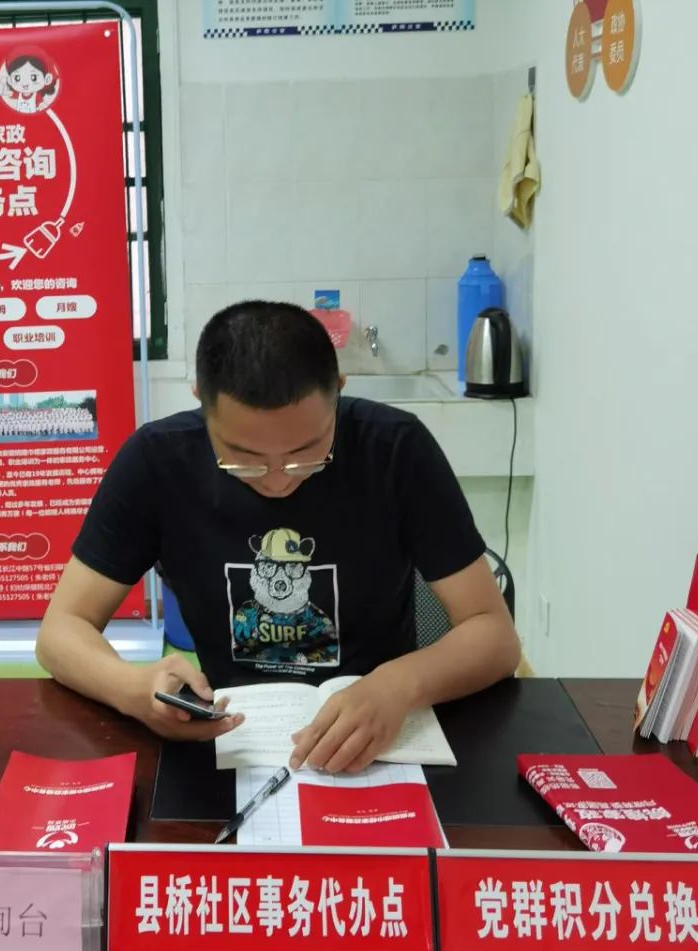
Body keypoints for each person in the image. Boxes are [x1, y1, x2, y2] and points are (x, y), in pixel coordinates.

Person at [36, 300, 521, 773]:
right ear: (201, 400)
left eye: (306, 453)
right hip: (234, 741)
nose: (277, 480)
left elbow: (494, 636)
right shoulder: (158, 462)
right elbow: (61, 632)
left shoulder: (395, 450)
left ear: (338, 391)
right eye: (243, 459)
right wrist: (132, 690)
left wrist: (399, 685)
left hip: (380, 740)